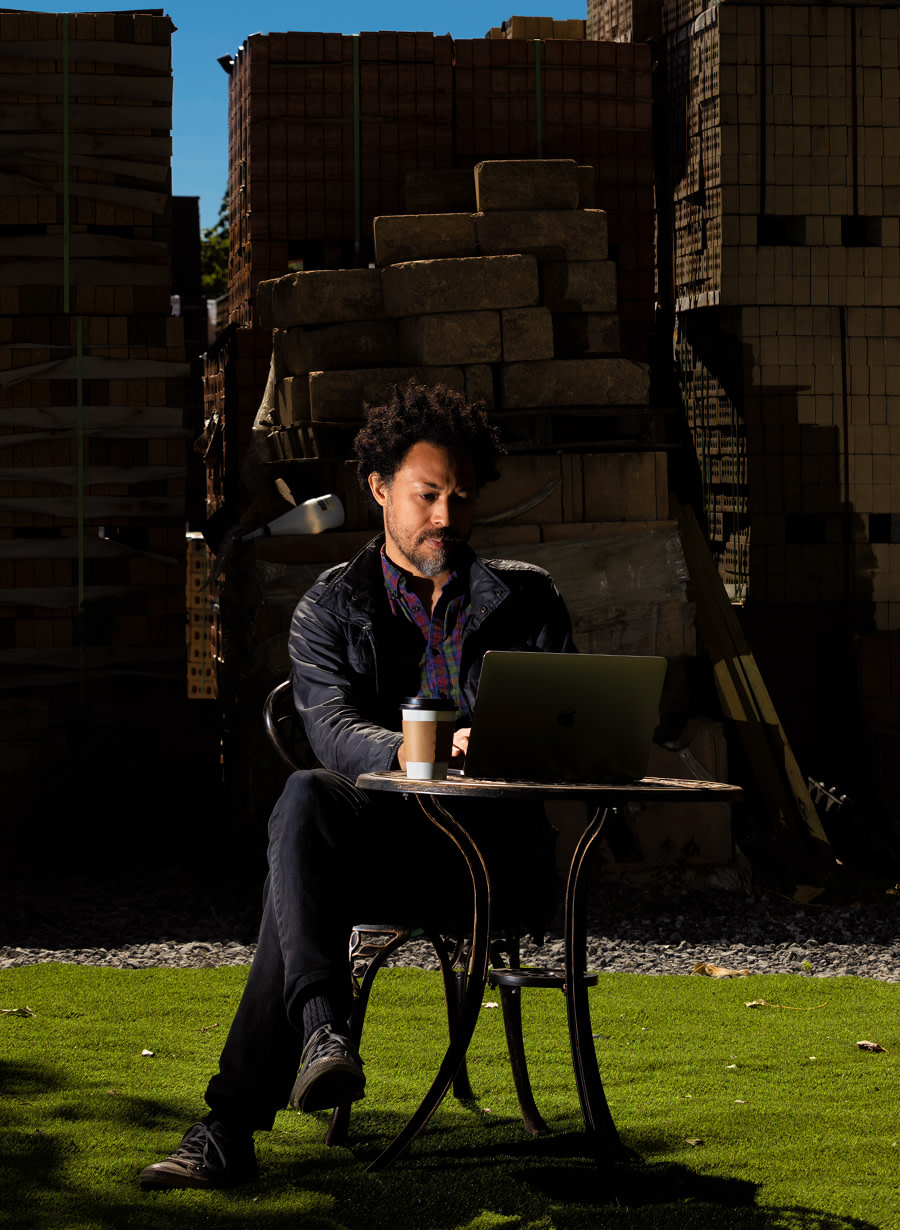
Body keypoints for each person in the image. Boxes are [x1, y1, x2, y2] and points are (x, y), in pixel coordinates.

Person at [139, 381, 575, 1191]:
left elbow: (565, 730)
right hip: (387, 855)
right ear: (377, 491)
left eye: (462, 497)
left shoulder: (530, 600)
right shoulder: (330, 609)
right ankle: (317, 1039)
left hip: (497, 862)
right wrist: (438, 749)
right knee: (306, 795)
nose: (447, 515)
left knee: (292, 887)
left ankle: (251, 1106)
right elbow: (333, 733)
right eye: (428, 494)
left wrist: (503, 750)